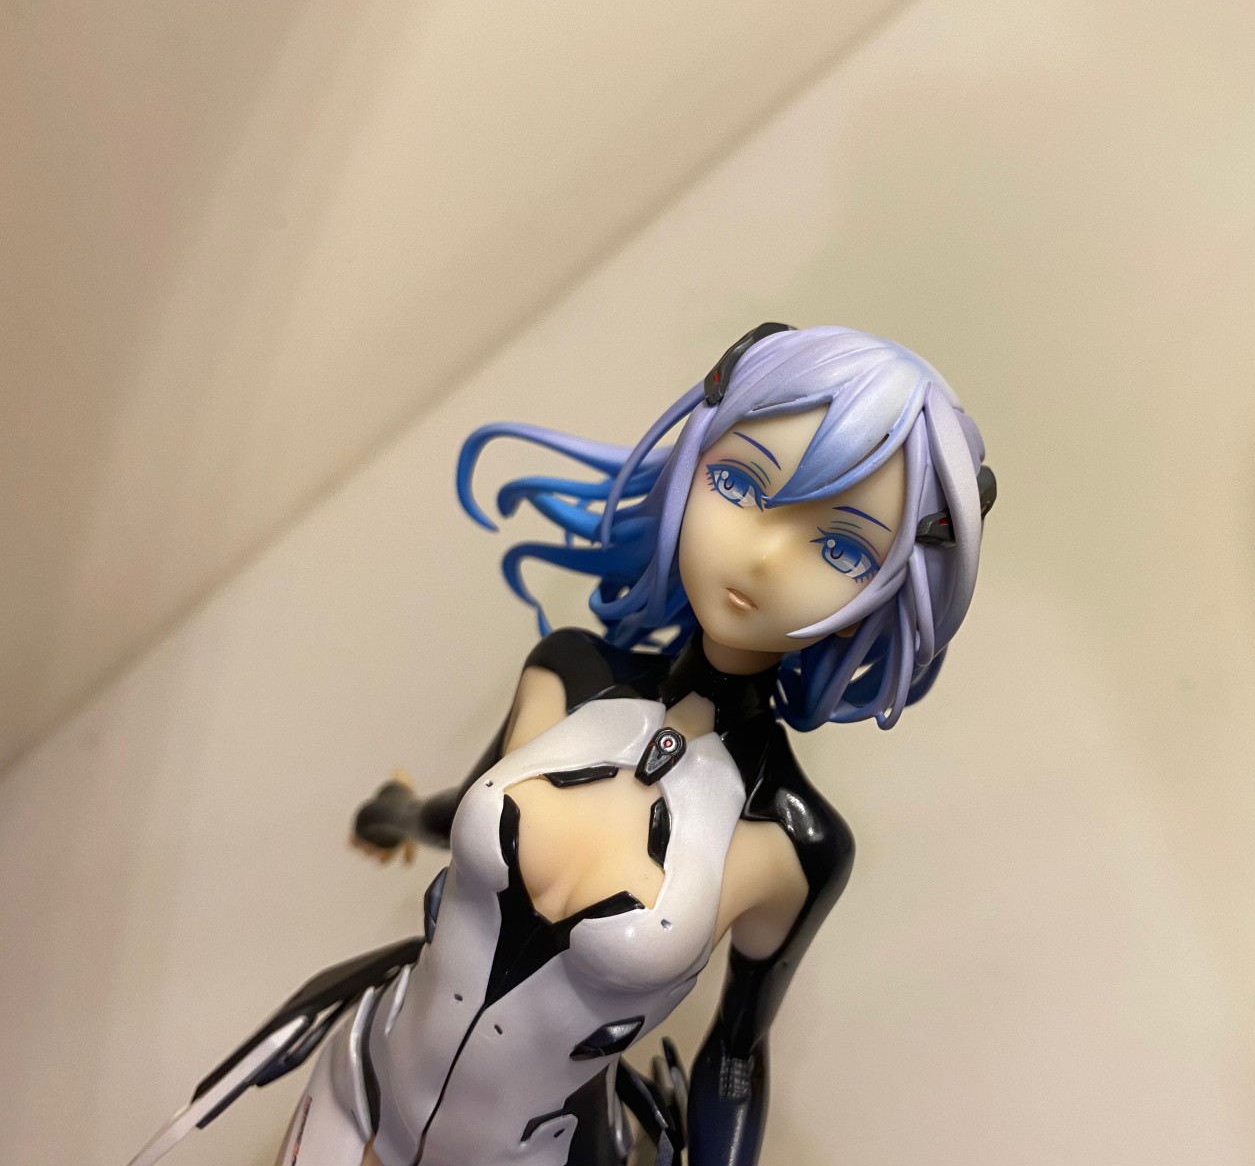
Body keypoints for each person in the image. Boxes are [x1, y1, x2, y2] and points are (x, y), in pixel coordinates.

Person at [127, 324, 993, 1166]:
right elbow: (459, 812)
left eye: (841, 546)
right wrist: (400, 815)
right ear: (692, 460)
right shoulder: (567, 673)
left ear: (895, 586)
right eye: (739, 483)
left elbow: (735, 1053)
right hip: (361, 1082)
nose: (764, 556)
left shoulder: (796, 844)